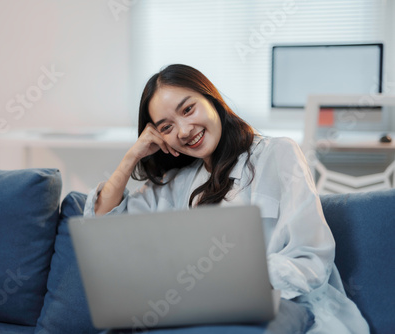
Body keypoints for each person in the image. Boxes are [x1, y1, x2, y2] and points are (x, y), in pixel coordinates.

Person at [84, 64, 369, 333]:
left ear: (213, 100)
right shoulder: (177, 183)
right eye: (166, 127)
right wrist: (130, 157)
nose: (184, 131)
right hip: (198, 309)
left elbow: (311, 259)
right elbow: (104, 225)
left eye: (188, 109)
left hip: (287, 303)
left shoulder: (278, 154)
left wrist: (235, 281)